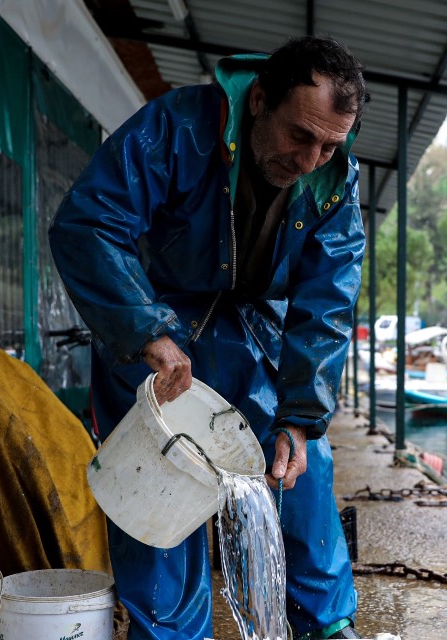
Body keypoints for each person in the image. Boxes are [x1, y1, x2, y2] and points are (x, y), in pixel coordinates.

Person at [49, 36, 368, 640]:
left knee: (300, 461)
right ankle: (169, 634)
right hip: (154, 319)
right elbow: (88, 225)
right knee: (159, 479)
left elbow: (328, 301)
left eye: (329, 145)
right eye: (300, 135)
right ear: (260, 101)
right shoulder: (177, 128)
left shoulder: (335, 177)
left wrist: (302, 415)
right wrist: (145, 329)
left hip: (255, 321)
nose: (310, 160)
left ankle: (324, 625)